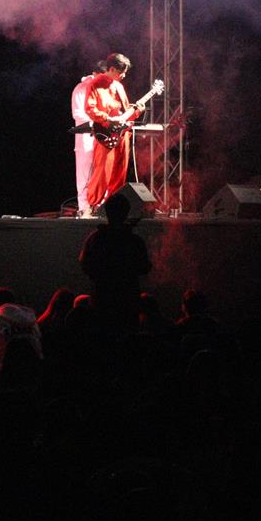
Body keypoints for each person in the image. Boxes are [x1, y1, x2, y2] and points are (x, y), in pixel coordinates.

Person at [78, 189, 151, 336]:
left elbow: (84, 264)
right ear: (126, 213)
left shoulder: (96, 238)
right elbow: (145, 267)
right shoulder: (134, 240)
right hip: (127, 300)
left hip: (102, 299)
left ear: (106, 212)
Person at [81, 53, 142, 213]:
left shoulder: (119, 86)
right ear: (112, 69)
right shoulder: (95, 84)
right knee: (103, 171)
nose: (124, 76)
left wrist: (136, 111)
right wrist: (107, 118)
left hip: (122, 134)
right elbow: (90, 109)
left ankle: (114, 208)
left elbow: (125, 112)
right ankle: (92, 207)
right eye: (121, 72)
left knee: (120, 172)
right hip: (106, 134)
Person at [70, 68, 98, 217]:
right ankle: (84, 209)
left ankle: (101, 207)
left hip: (102, 139)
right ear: (96, 74)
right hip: (86, 138)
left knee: (100, 174)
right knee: (85, 175)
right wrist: (99, 121)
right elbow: (78, 114)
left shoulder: (105, 89)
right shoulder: (81, 89)